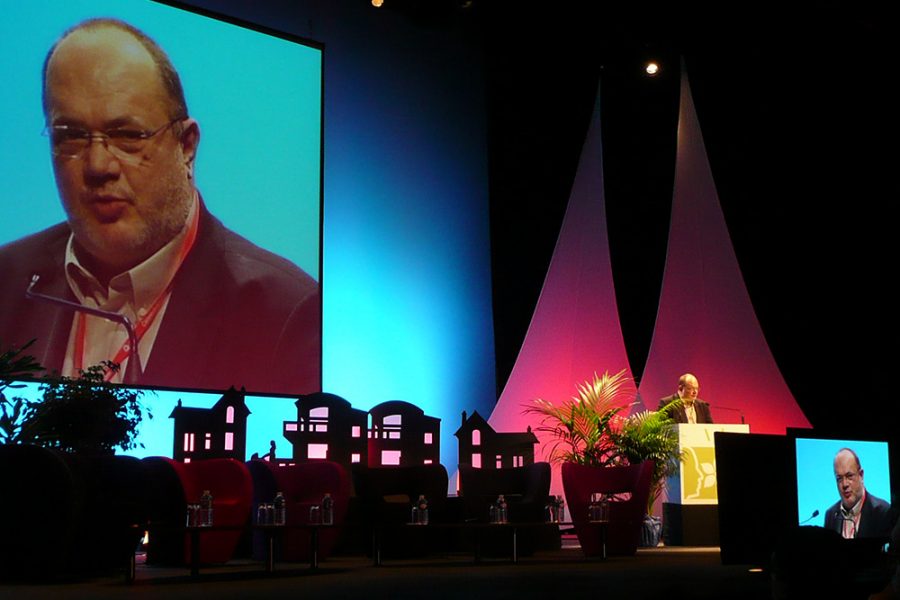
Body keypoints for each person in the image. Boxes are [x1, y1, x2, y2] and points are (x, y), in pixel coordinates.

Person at [0, 18, 319, 394]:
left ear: (186, 146)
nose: (98, 166)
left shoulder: (283, 313)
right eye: (71, 137)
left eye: (127, 136)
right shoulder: (7, 283)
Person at [823, 448, 893, 539]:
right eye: (839, 478)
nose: (844, 484)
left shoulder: (882, 512)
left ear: (861, 475)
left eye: (849, 476)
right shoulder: (830, 515)